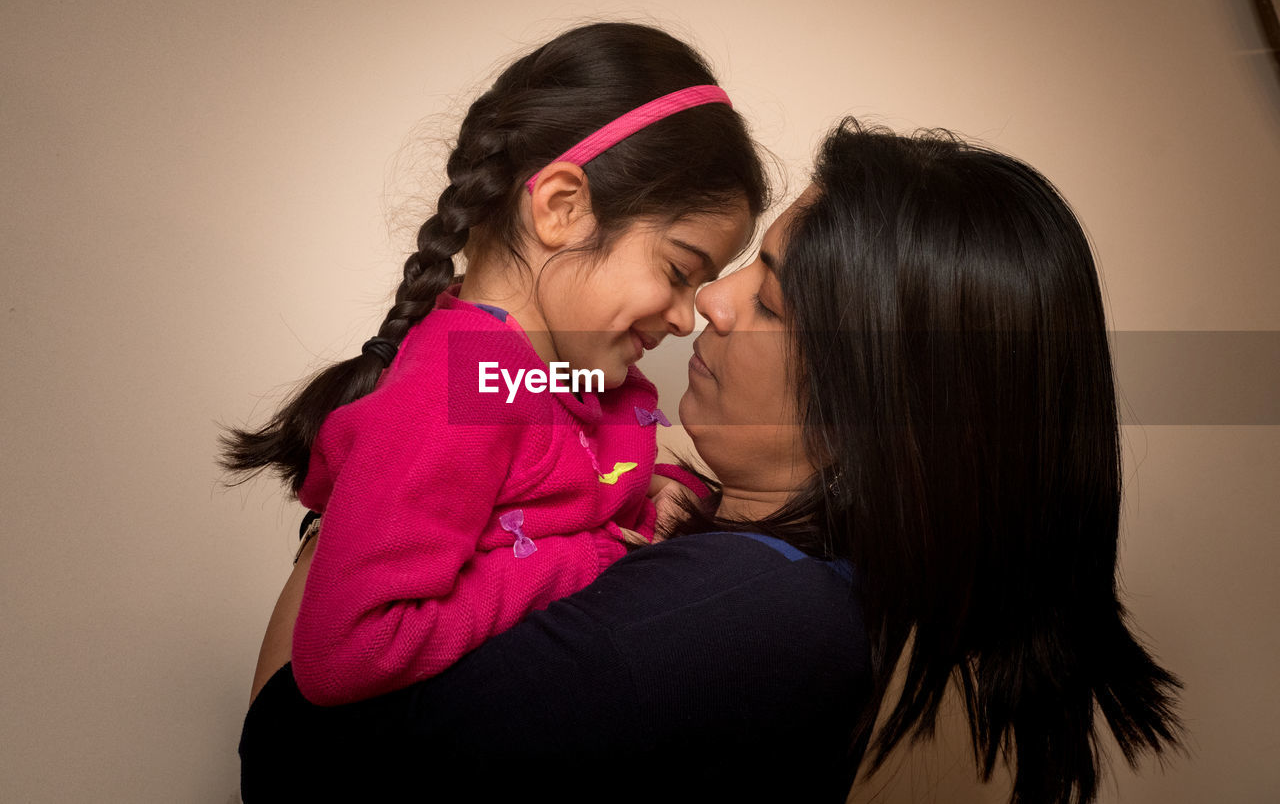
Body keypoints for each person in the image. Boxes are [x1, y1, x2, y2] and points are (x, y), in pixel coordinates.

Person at [238, 120, 1183, 803]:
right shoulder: (750, 552)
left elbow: (290, 761)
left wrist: (379, 475)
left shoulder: (739, 616)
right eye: (739, 268)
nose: (711, 306)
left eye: (770, 301)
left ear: (880, 409)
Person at [220, 22, 768, 707]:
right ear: (563, 208)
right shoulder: (456, 396)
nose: (687, 318)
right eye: (679, 270)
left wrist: (660, 486)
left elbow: (582, 476)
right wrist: (590, 556)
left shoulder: (574, 379)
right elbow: (350, 651)